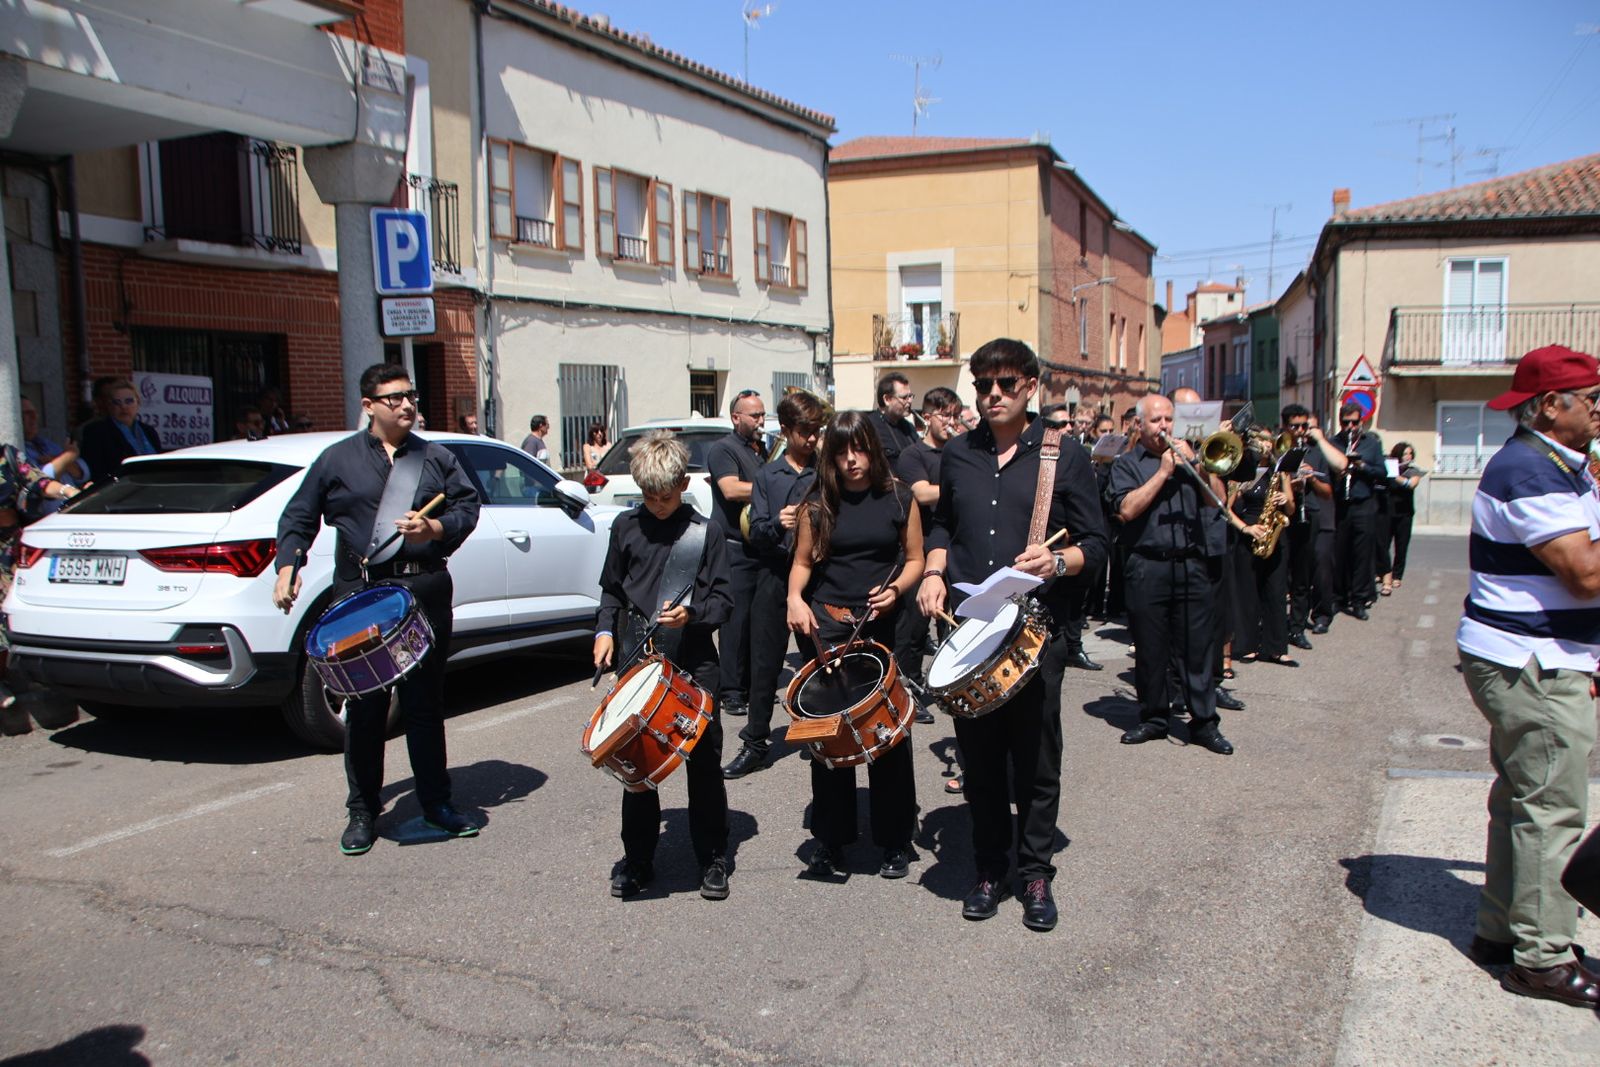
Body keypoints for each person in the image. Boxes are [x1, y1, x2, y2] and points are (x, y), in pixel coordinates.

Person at [918, 338, 1108, 931]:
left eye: (1005, 384)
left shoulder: (1062, 455)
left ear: (1030, 386)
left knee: (1035, 761)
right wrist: (932, 570)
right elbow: (943, 523)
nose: (992, 395)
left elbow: (1098, 545)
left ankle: (1035, 874)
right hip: (973, 630)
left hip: (1035, 634)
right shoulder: (958, 454)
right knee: (978, 761)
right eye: (983, 385)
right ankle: (988, 868)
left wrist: (1059, 562)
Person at [273, 364, 482, 856]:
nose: (407, 405)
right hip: (363, 599)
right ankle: (362, 811)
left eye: (411, 396)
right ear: (368, 406)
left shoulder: (436, 457)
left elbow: (467, 508)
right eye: (394, 398)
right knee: (365, 710)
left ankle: (436, 803)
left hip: (423, 592)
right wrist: (287, 567)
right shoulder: (338, 460)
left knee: (424, 706)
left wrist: (435, 529)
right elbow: (299, 517)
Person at [1457, 344, 1600, 1009]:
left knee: (1521, 798)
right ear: (1549, 405)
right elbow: (1586, 572)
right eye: (1591, 399)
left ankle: (1502, 931)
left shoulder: (1555, 464)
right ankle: (1542, 958)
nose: (1599, 411)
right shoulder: (1532, 470)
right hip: (1533, 663)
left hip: (1529, 657)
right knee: (1551, 807)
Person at [593, 430, 733, 900]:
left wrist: (692, 614)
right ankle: (638, 861)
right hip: (639, 656)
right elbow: (612, 591)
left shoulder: (706, 532)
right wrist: (604, 632)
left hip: (694, 660)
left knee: (704, 761)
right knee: (636, 763)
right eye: (649, 496)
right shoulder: (625, 527)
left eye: (666, 497)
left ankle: (712, 858)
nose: (657, 505)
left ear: (683, 485)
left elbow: (724, 602)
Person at [788, 410, 924, 879]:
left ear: (873, 450)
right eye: (842, 451)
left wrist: (897, 590)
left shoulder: (900, 497)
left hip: (882, 626)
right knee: (828, 735)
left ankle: (895, 840)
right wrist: (794, 598)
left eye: (860, 449)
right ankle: (831, 839)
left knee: (888, 733)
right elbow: (803, 563)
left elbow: (915, 558)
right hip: (827, 627)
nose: (851, 460)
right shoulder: (817, 505)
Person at [1108, 394, 1235, 757]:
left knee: (1197, 647)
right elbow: (1126, 509)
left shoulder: (1191, 459)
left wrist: (1199, 466)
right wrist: (1163, 472)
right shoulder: (1127, 464)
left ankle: (1204, 722)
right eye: (1156, 420)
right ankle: (1154, 717)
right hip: (1147, 565)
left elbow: (1218, 501)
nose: (1163, 426)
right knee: (1150, 648)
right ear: (1139, 424)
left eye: (1168, 419)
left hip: (1191, 563)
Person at [723, 390, 825, 778]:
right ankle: (755, 742)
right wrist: (777, 524)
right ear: (785, 430)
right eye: (804, 431)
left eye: (816, 431)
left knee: (820, 659)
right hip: (773, 575)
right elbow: (756, 531)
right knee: (764, 663)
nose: (811, 439)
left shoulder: (825, 470)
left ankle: (822, 730)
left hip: (816, 579)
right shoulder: (767, 475)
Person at [894, 386, 962, 713]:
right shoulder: (913, 455)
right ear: (928, 416)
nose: (951, 422)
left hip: (956, 546)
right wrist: (964, 485)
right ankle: (909, 691)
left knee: (954, 623)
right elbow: (920, 494)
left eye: (955, 415)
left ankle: (952, 683)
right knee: (915, 628)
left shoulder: (960, 453)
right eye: (945, 415)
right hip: (920, 548)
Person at [2, 440, 81, 709]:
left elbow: (39, 482)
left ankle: (21, 676)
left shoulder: (7, 456)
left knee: (11, 611)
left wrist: (70, 492)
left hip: (10, 545)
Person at [705, 390, 767, 719]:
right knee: (735, 622)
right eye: (754, 416)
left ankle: (752, 687)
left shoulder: (760, 450)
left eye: (762, 414)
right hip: (733, 547)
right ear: (736, 417)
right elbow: (730, 489)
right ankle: (731, 691)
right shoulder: (724, 449)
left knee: (758, 622)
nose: (761, 421)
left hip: (759, 546)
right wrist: (772, 488)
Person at [1227, 429, 1296, 668]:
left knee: (1276, 592)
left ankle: (1277, 648)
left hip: (1274, 534)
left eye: (1269, 440)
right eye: (1262, 441)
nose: (1266, 445)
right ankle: (1247, 646)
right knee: (1248, 592)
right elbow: (1225, 508)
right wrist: (1246, 528)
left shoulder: (1280, 471)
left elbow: (1291, 510)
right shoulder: (1242, 471)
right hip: (1249, 533)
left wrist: (1286, 499)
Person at [1316, 403, 1384, 620]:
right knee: (1339, 552)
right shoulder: (1333, 443)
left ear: (1361, 422)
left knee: (1362, 554)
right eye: (1346, 423)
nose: (1350, 427)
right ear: (1340, 422)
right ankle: (1338, 597)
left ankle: (1359, 600)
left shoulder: (1371, 444)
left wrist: (1362, 466)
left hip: (1363, 503)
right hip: (1339, 504)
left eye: (1354, 422)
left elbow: (1382, 472)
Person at [1281, 405, 1334, 647]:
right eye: (1295, 426)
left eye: (1304, 426)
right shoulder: (1279, 450)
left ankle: (1297, 628)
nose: (1301, 431)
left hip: (1308, 514)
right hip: (1283, 516)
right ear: (1285, 426)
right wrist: (1290, 485)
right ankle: (1274, 626)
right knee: (1279, 576)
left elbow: (1327, 492)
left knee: (1302, 577)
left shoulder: (1314, 453)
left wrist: (1311, 479)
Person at [21, 397, 88, 518]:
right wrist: (67, 457)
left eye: (35, 413)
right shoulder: (16, 451)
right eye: (27, 414)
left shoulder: (45, 443)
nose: (35, 417)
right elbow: (42, 481)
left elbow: (82, 473)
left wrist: (56, 461)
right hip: (49, 518)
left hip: (75, 510)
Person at [80, 379, 162, 479]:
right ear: (109, 406)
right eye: (116, 402)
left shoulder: (149, 431)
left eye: (129, 401)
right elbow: (95, 470)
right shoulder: (96, 431)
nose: (123, 407)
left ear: (138, 402)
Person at [1381, 442, 1424, 594]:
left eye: (1410, 453)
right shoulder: (1389, 468)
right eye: (1405, 453)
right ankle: (1383, 573)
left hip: (1405, 514)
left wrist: (1394, 475)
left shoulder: (1413, 471)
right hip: (1388, 512)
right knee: (1383, 545)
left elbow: (1411, 484)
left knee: (1401, 546)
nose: (1408, 456)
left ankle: (1397, 576)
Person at [864, 372, 919, 469]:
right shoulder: (869, 427)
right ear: (887, 399)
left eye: (910, 396)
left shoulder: (909, 427)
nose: (910, 401)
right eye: (904, 397)